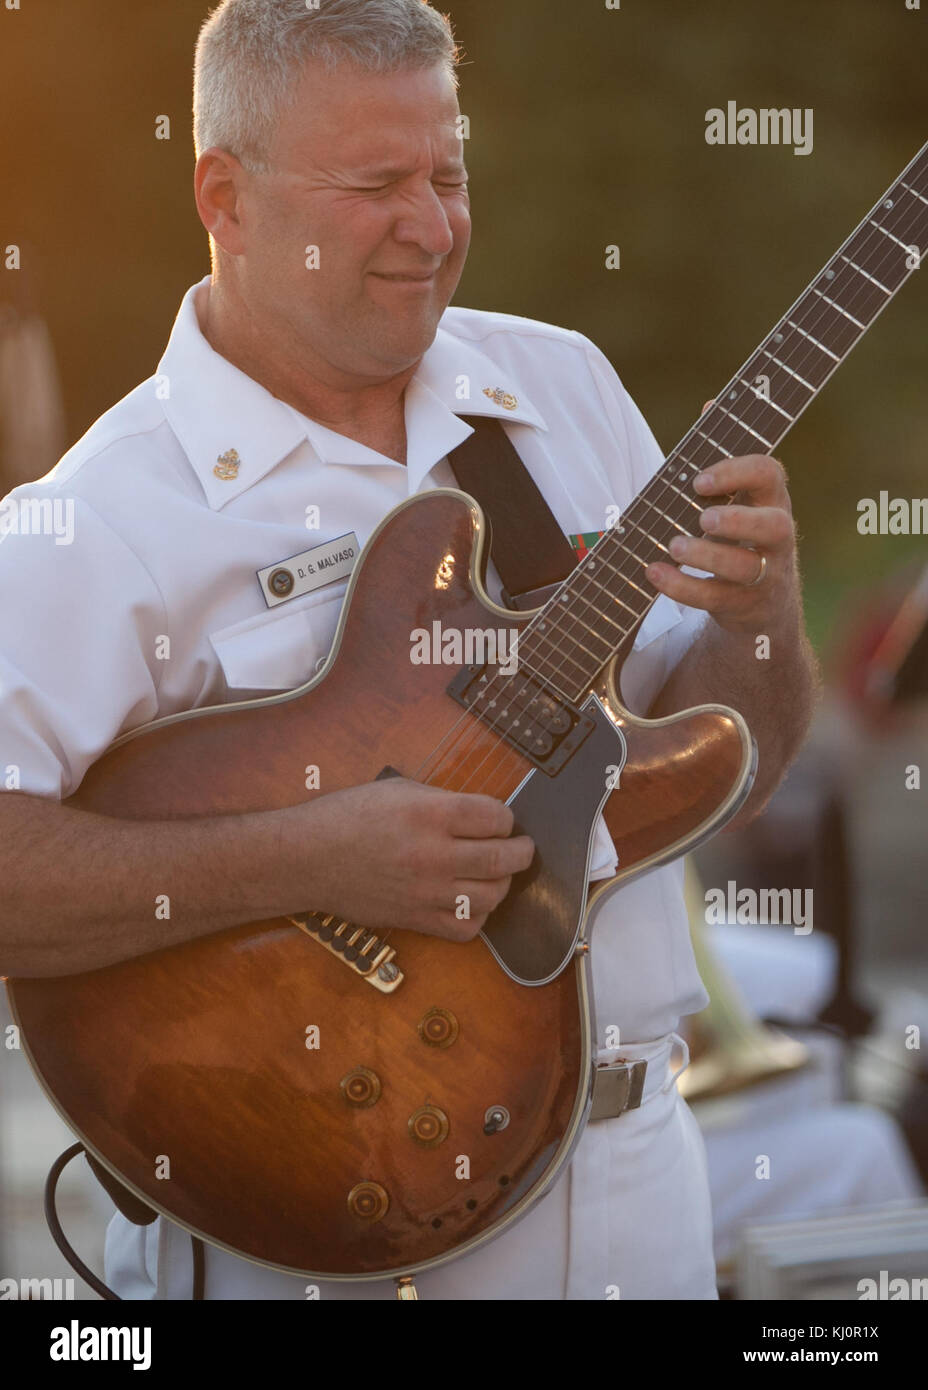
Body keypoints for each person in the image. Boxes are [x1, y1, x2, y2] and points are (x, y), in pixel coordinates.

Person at [0, 0, 818, 1300]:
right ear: (227, 194)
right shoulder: (95, 517)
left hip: (644, 1176)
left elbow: (737, 763)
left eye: (449, 174)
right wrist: (310, 856)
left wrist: (759, 611)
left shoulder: (563, 391)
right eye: (378, 184)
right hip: (308, 1227)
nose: (433, 226)